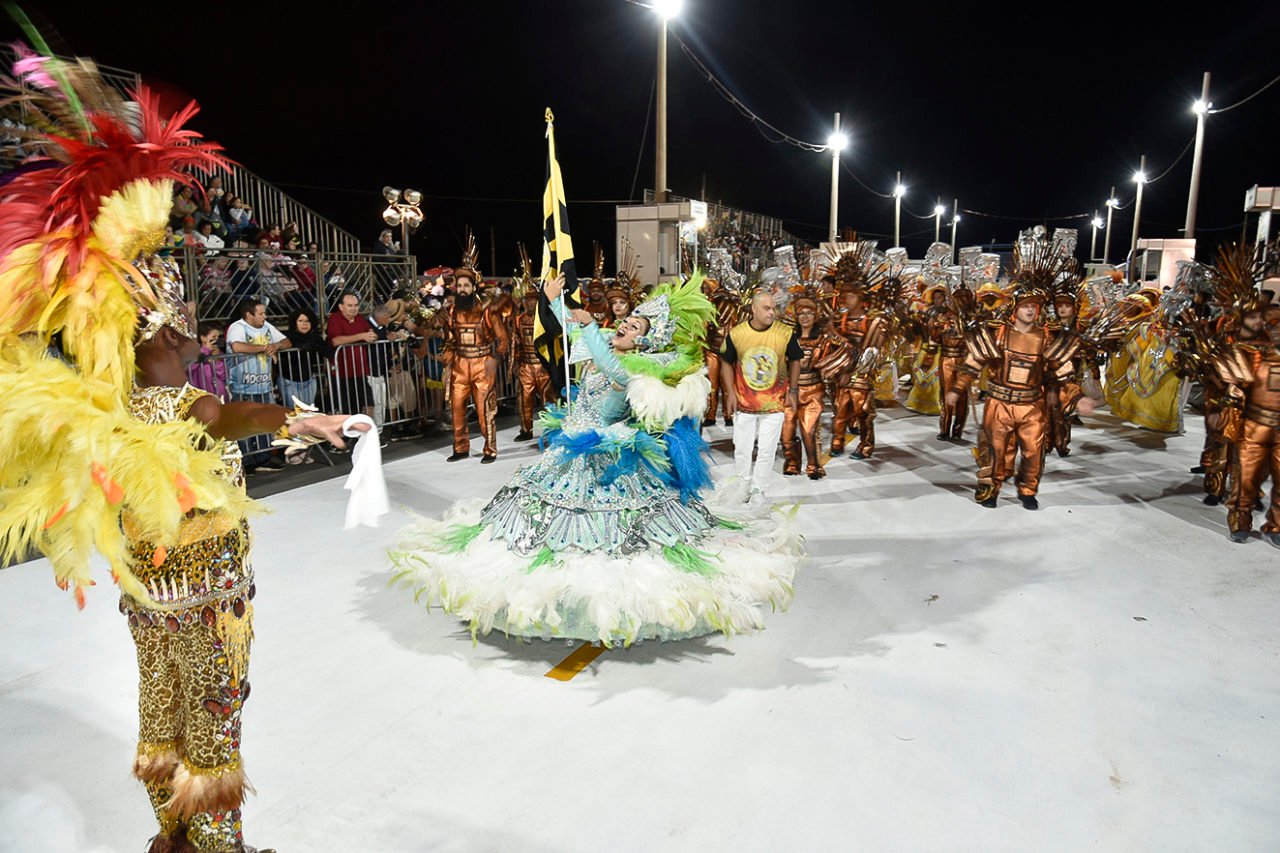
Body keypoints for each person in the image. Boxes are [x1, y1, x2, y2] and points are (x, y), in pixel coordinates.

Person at [391, 272, 805, 645]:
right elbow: (573, 337)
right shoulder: (604, 342)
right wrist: (552, 302)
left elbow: (607, 362)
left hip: (608, 457)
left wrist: (590, 327)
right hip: (568, 447)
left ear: (645, 341)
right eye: (626, 321)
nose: (625, 325)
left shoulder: (641, 370)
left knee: (610, 539)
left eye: (635, 325)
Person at [945, 244, 1090, 510]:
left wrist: (1077, 397)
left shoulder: (1046, 337)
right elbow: (974, 360)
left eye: (1035, 307)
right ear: (1015, 308)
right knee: (997, 450)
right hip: (999, 402)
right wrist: (958, 387)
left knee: (1034, 452)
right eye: (1026, 306)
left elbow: (1062, 368)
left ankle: (1027, 490)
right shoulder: (999, 334)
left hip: (1032, 404)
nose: (1031, 311)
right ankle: (991, 487)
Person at [720, 289, 804, 501]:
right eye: (766, 308)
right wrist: (729, 392)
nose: (771, 313)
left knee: (767, 449)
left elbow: (795, 360)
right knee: (742, 448)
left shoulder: (785, 333)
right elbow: (726, 363)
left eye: (774, 308)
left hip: (774, 404)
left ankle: (759, 489)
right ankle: (743, 484)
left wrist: (793, 390)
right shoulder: (737, 334)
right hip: (744, 403)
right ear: (753, 309)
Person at [437, 262, 509, 463]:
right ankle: (460, 448)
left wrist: (495, 359)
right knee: (457, 408)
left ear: (474, 288)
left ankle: (490, 449)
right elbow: (450, 339)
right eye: (459, 286)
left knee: (484, 410)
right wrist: (448, 357)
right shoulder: (451, 312)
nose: (462, 290)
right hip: (460, 365)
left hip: (482, 364)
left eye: (466, 286)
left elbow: (503, 339)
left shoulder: (488, 312)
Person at [781, 291, 850, 480]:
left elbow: (846, 350)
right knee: (786, 432)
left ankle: (814, 466)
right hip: (790, 391)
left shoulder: (823, 339)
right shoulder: (787, 337)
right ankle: (792, 462)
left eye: (809, 313)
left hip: (813, 391)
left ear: (815, 316)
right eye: (801, 313)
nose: (804, 317)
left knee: (809, 431)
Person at [225, 299, 291, 473]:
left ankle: (264, 457)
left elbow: (287, 342)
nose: (265, 316)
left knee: (263, 422)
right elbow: (237, 346)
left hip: (263, 385)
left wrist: (275, 345)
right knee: (244, 423)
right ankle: (247, 461)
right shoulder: (237, 327)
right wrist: (264, 347)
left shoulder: (266, 326)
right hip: (242, 386)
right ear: (249, 315)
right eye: (261, 313)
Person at [512, 284, 554, 441]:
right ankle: (526, 430)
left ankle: (552, 429)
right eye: (527, 300)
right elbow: (515, 343)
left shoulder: (545, 318)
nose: (529, 303)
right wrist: (516, 362)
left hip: (543, 365)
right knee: (524, 399)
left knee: (548, 399)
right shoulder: (519, 320)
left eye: (533, 300)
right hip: (526, 365)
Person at [327, 292, 377, 418]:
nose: (354, 308)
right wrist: (362, 336)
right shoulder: (334, 318)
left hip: (360, 371)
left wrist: (372, 335)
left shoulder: (360, 319)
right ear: (341, 306)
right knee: (347, 407)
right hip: (342, 373)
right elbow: (336, 340)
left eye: (356, 305)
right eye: (350, 305)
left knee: (368, 403)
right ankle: (348, 435)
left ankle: (365, 432)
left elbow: (370, 333)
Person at [278, 307, 326, 408]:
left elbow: (328, 352)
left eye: (307, 321)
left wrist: (315, 345)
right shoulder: (285, 338)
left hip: (309, 380)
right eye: (300, 321)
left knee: (307, 413)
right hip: (289, 381)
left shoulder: (315, 337)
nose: (304, 324)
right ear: (294, 322)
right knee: (294, 414)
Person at [187, 322, 229, 401]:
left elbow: (223, 375)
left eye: (218, 337)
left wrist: (216, 359)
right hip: (201, 396)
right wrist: (205, 351)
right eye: (213, 337)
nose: (216, 340)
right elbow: (190, 368)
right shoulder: (195, 353)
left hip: (220, 396)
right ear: (203, 338)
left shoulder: (219, 354)